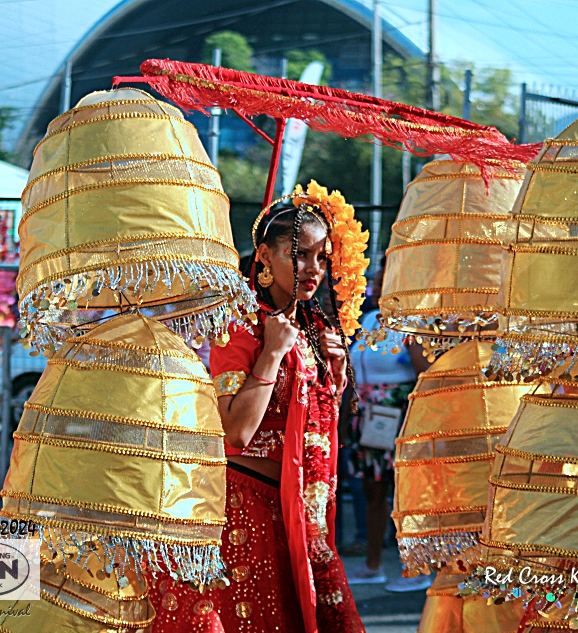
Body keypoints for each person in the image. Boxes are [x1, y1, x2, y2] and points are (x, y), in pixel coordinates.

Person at [149, 189, 366, 633]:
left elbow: (310, 430)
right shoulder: (240, 325)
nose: (313, 270)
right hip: (248, 510)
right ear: (265, 255)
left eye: (321, 258)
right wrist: (270, 354)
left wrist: (336, 379)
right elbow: (235, 431)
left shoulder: (310, 326)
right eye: (299, 255)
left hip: (298, 516)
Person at [343, 261, 420, 592]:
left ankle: (415, 569)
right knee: (373, 491)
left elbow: (422, 373)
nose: (375, 289)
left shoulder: (415, 324)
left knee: (406, 493)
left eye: (382, 283)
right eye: (374, 283)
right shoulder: (370, 320)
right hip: (367, 418)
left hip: (400, 415)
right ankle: (373, 565)